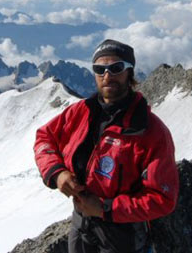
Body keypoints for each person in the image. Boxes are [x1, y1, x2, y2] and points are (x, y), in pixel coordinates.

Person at [34, 39, 179, 253]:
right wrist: (57, 173)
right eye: (99, 69)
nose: (107, 75)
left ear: (130, 73)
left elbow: (162, 199)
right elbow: (44, 138)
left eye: (116, 68)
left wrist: (106, 209)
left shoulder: (151, 132)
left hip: (123, 237)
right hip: (81, 225)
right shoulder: (80, 112)